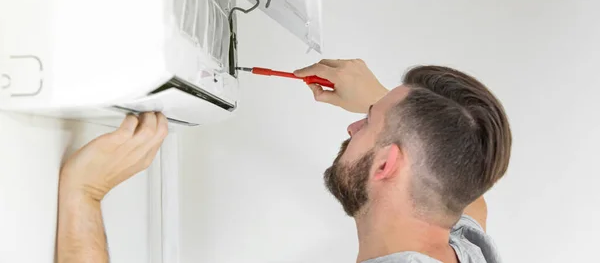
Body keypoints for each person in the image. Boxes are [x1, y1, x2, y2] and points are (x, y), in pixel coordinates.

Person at [57, 59, 511, 263]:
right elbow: (472, 199)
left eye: (366, 123)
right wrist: (385, 111)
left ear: (386, 165)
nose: (353, 128)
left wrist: (85, 193)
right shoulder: (467, 248)